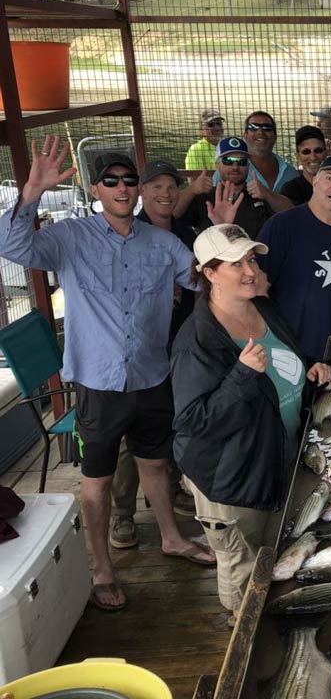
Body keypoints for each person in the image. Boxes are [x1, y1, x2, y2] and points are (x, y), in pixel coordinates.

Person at [0, 138, 215, 612]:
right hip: (98, 384)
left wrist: (220, 238)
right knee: (95, 481)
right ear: (96, 188)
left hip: (152, 375)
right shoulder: (69, 238)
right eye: (111, 181)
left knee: (155, 463)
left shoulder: (164, 244)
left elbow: (203, 280)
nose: (122, 187)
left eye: (129, 180)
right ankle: (101, 567)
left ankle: (171, 539)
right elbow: (11, 244)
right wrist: (31, 192)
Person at [172, 224, 331, 615]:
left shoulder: (263, 307)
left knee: (271, 556)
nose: (249, 270)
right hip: (233, 478)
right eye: (234, 263)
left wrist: (309, 369)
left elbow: (283, 363)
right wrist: (243, 375)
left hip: (275, 460)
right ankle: (238, 643)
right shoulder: (197, 340)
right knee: (243, 568)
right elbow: (194, 421)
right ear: (209, 273)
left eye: (251, 259)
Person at [110, 160, 199, 548]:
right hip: (134, 355)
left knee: (172, 423)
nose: (166, 193)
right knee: (128, 442)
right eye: (156, 186)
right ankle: (122, 514)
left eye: (172, 186)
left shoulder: (186, 234)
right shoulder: (128, 233)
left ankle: (175, 485)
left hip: (178, 351)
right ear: (142, 192)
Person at [257, 157, 331, 364]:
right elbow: (259, 289)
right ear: (314, 183)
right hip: (294, 352)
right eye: (329, 178)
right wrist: (267, 344)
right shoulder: (282, 226)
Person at [182, 137, 274, 239]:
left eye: (241, 162)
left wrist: (268, 194)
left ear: (248, 166)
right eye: (228, 161)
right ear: (217, 165)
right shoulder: (204, 197)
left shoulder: (259, 195)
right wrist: (191, 190)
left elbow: (291, 213)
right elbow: (171, 217)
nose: (235, 167)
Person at [215, 111, 297, 213]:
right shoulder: (227, 171)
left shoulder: (291, 172)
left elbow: (297, 211)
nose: (260, 132)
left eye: (267, 128)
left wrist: (267, 194)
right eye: (253, 127)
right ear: (245, 135)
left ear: (275, 136)